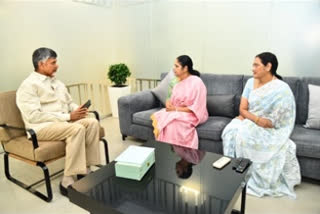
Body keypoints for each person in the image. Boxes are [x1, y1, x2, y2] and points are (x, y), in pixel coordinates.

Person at [16, 47, 101, 196]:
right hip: (41, 128)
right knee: (76, 129)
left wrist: (78, 110)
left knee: (92, 122)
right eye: (53, 62)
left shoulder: (58, 83)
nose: (57, 65)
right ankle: (67, 180)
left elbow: (69, 104)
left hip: (61, 123)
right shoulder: (28, 86)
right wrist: (68, 117)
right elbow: (33, 116)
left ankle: (85, 169)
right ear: (41, 64)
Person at [222, 52, 301, 198]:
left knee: (248, 137)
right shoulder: (250, 82)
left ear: (268, 66)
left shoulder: (282, 89)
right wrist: (257, 120)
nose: (252, 68)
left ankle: (255, 177)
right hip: (251, 120)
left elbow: (278, 121)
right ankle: (234, 172)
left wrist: (262, 122)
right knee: (231, 131)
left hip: (271, 128)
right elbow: (242, 109)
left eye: (256, 65)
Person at [151, 55, 208, 149]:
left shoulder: (197, 82)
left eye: (177, 66)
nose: (174, 69)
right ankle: (167, 149)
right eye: (174, 66)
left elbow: (197, 106)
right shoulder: (175, 82)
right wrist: (168, 103)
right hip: (176, 110)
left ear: (185, 68)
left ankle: (182, 150)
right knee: (167, 119)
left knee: (174, 122)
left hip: (193, 113)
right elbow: (170, 98)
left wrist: (176, 109)